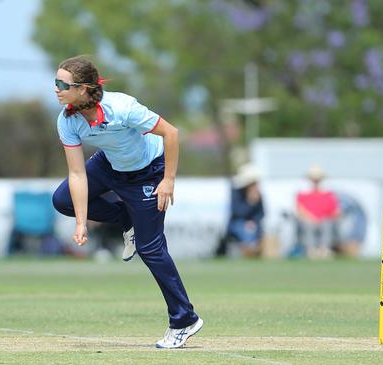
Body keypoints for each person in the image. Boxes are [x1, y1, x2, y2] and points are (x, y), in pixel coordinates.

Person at [51, 56, 203, 349]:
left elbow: (171, 133)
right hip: (109, 165)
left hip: (149, 170)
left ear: (83, 89)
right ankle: (127, 218)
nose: (56, 89)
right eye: (55, 83)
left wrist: (168, 180)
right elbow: (76, 173)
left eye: (62, 84)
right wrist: (82, 222)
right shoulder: (67, 120)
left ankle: (184, 319)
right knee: (62, 200)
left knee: (150, 248)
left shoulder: (121, 107)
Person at [295, 165, 340, 259]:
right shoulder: (303, 193)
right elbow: (300, 210)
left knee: (326, 224)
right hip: (308, 220)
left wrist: (325, 218)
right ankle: (311, 250)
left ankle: (324, 249)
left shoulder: (328, 194)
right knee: (308, 224)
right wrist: (310, 217)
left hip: (324, 220)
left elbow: (335, 211)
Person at [224, 163, 265, 257]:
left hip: (253, 224)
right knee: (244, 228)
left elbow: (261, 213)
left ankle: (253, 249)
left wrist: (253, 221)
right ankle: (249, 249)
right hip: (237, 223)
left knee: (255, 229)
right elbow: (237, 212)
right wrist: (250, 202)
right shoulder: (236, 192)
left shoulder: (258, 194)